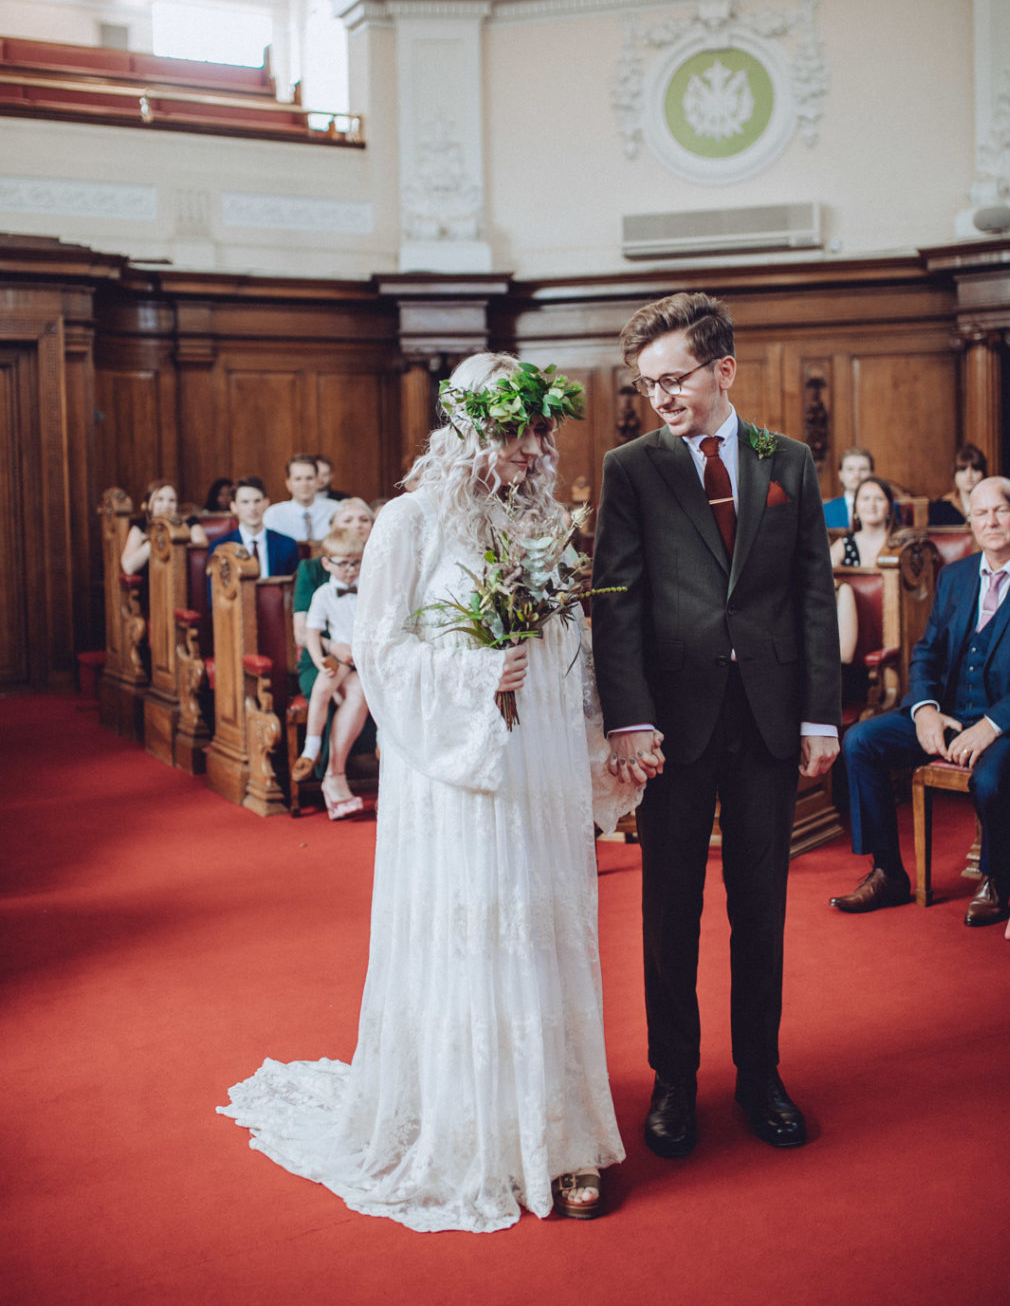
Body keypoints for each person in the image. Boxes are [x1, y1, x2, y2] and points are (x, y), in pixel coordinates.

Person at [219, 354, 628, 1231]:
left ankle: (561, 1140)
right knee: (480, 938)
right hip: (459, 782)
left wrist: (605, 742)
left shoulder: (542, 522)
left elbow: (575, 647)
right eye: (511, 431)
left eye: (538, 433)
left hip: (540, 772)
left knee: (542, 937)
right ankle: (472, 1134)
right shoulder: (407, 521)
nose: (528, 449)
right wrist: (482, 671)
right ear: (470, 429)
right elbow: (382, 651)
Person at [591, 290, 840, 1158]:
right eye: (646, 383)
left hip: (769, 719)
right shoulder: (632, 469)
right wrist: (628, 719)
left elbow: (813, 593)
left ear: (723, 369)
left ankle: (761, 1075)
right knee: (670, 911)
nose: (658, 396)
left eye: (674, 378)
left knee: (761, 908)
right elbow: (614, 605)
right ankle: (674, 1082)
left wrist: (820, 715)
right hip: (673, 728)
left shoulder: (790, 462)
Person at [831, 475, 1010, 926]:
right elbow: (926, 652)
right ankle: (887, 872)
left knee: (992, 780)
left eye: (1001, 510)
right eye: (980, 513)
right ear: (971, 523)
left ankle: (999, 876)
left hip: (1009, 723)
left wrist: (991, 725)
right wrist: (925, 710)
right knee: (861, 742)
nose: (990, 520)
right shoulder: (956, 576)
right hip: (950, 713)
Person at [290, 530, 370, 819]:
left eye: (356, 563)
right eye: (343, 564)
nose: (350, 570)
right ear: (326, 564)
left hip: (363, 658)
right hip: (337, 657)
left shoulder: (369, 586)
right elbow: (310, 631)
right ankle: (311, 748)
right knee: (323, 687)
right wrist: (319, 659)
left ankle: (377, 749)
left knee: (364, 692)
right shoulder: (323, 593)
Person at [208, 477, 299, 579]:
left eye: (257, 501)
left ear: (266, 503)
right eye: (245, 502)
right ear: (234, 507)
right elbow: (216, 592)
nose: (252, 508)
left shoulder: (288, 545)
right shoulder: (220, 548)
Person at [120, 480, 207, 575]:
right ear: (149, 505)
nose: (166, 505)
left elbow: (200, 551)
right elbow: (128, 567)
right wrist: (154, 541)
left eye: (172, 500)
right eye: (160, 499)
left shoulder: (190, 523)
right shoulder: (140, 527)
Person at [264, 455, 338, 542]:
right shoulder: (273, 515)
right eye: (298, 479)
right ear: (288, 484)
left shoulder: (335, 510)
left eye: (309, 478)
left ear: (317, 481)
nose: (304, 484)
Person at [829, 476, 898, 569]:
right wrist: (840, 583)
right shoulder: (844, 544)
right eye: (865, 498)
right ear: (855, 506)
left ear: (889, 507)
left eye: (879, 499)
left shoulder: (901, 542)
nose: (872, 504)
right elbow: (823, 575)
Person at [928, 443, 988, 526]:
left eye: (975, 469)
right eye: (963, 470)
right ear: (954, 474)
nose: (969, 476)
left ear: (983, 474)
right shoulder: (939, 508)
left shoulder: (992, 505)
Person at [822, 447, 875, 528]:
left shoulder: (888, 507)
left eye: (863, 469)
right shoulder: (826, 510)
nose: (857, 475)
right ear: (841, 475)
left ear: (871, 474)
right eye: (850, 469)